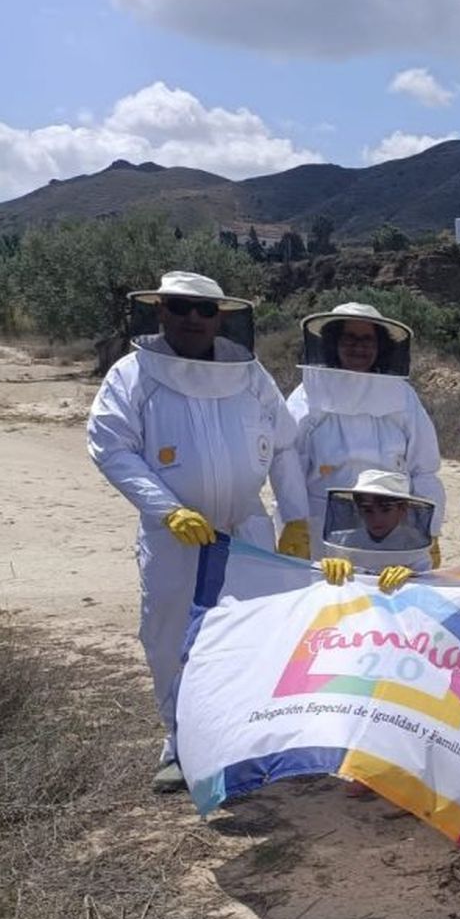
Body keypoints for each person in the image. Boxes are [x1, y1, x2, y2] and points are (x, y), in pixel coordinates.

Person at [88, 271, 306, 792]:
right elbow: (110, 446)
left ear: (221, 316)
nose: (192, 318)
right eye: (181, 307)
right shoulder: (132, 373)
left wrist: (295, 517)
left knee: (251, 633)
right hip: (174, 534)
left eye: (204, 310)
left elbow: (282, 446)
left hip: (248, 528)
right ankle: (180, 744)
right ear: (160, 310)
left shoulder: (250, 375)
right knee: (169, 638)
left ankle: (244, 739)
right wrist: (165, 509)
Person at [286, 302, 445, 567]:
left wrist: (432, 529)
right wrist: (294, 520)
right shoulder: (308, 394)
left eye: (367, 339)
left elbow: (424, 469)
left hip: (389, 528)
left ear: (379, 346)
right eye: (349, 338)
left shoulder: (402, 396)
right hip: (322, 528)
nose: (358, 346)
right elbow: (290, 465)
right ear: (333, 343)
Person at [315, 470, 435, 594]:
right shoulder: (342, 540)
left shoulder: (415, 544)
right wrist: (326, 571)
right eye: (367, 510)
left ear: (402, 509)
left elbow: (425, 590)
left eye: (386, 510)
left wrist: (414, 578)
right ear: (359, 510)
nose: (376, 518)